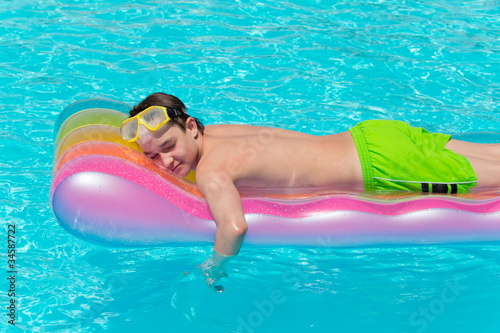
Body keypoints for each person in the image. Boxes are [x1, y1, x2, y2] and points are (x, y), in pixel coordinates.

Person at [121, 92, 500, 290]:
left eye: (168, 148)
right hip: (372, 135)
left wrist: (214, 268)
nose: (165, 163)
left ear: (189, 127)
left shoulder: (213, 171)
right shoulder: (216, 130)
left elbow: (234, 227)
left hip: (383, 166)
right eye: (153, 158)